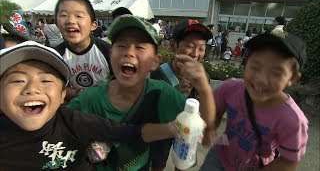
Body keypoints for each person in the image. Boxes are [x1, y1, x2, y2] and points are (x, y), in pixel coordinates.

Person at [0, 41, 182, 170]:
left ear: (63, 94)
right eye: (18, 80)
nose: (32, 89)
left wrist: (171, 129)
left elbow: (131, 132)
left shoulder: (73, 122)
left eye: (46, 80)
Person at [67, 15, 216, 171]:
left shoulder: (161, 92)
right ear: (111, 54)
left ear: (154, 61)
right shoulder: (90, 99)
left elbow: (205, 131)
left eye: (140, 47)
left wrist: (204, 89)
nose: (129, 52)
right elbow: (58, 127)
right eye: (122, 45)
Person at [200, 32, 308, 171]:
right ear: (245, 62)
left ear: (292, 79)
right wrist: (211, 128)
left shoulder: (293, 120)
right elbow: (215, 109)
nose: (261, 79)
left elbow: (289, 162)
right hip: (219, 157)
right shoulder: (231, 88)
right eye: (255, 67)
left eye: (276, 73)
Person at [54, 0, 112, 100]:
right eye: (63, 15)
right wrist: (75, 93)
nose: (70, 21)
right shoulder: (55, 56)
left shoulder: (108, 51)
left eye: (78, 16)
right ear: (57, 24)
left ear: (93, 25)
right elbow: (55, 88)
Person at [150, 19, 213, 98]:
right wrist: (175, 95)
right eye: (190, 46)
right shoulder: (157, 74)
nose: (195, 54)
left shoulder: (204, 77)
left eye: (201, 49)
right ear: (173, 45)